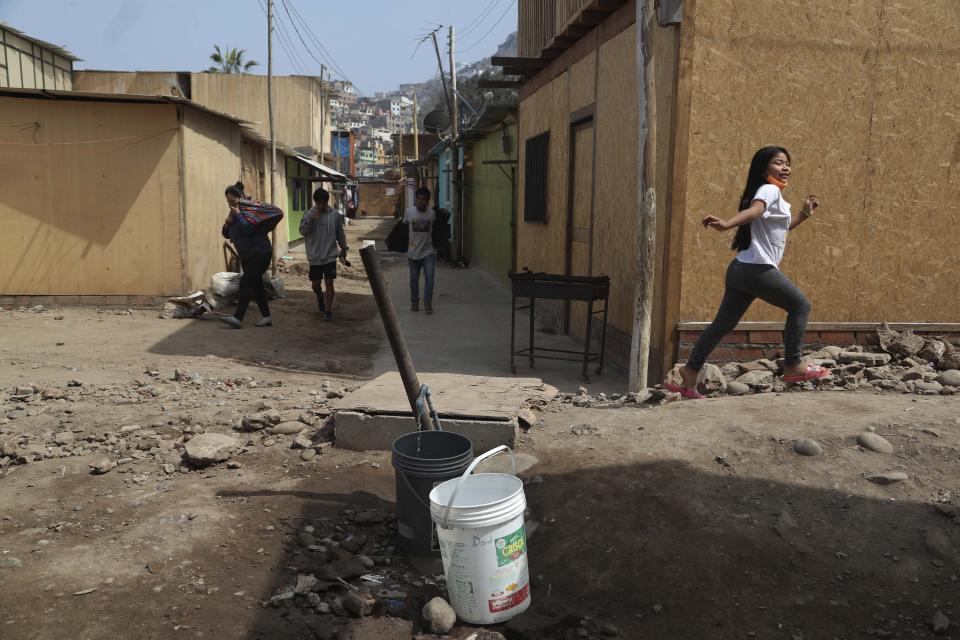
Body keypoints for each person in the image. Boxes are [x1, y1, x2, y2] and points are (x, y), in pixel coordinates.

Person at [665, 146, 827, 399]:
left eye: (787, 163)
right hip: (756, 269)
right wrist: (727, 224)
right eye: (778, 163)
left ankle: (689, 371)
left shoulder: (775, 195)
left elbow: (779, 231)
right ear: (764, 170)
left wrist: (804, 214)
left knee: (723, 324)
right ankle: (794, 365)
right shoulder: (769, 190)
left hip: (742, 269)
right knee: (800, 306)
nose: (786, 167)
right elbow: (755, 211)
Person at [220, 182, 273, 329]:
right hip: (247, 256)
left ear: (241, 198)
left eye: (232, 202)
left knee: (245, 283)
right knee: (257, 286)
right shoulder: (234, 213)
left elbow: (248, 229)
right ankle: (267, 317)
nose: (230, 205)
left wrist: (238, 215)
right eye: (228, 202)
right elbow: (225, 233)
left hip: (261, 254)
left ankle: (238, 318)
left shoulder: (251, 210)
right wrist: (228, 221)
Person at [300, 187, 348, 322]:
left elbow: (340, 233)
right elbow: (302, 232)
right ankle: (319, 296)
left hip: (330, 255)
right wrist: (310, 220)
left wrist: (343, 249)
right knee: (315, 284)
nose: (321, 206)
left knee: (329, 281)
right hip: (314, 256)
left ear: (327, 201)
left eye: (324, 203)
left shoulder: (335, 215)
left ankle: (328, 310)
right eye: (318, 203)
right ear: (315, 202)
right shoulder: (308, 214)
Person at [404, 186, 437, 314]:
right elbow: (402, 229)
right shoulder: (409, 212)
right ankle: (414, 302)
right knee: (414, 279)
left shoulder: (431, 214)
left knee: (430, 277)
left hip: (428, 251)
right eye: (418, 199)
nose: (420, 202)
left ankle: (427, 302)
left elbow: (436, 231)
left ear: (428, 201)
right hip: (413, 253)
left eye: (423, 200)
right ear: (415, 200)